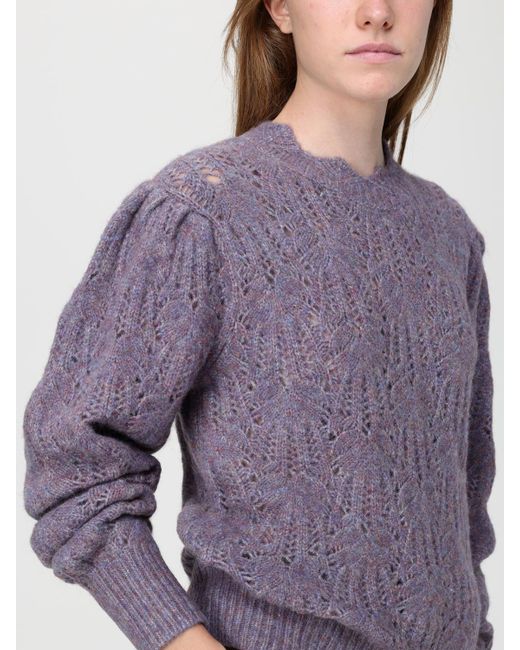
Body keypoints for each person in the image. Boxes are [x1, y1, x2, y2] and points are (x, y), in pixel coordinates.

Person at [22, 1, 497, 649]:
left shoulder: (448, 235)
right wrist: (181, 640)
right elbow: (76, 470)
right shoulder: (202, 212)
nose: (377, 12)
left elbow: (464, 508)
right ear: (280, 8)